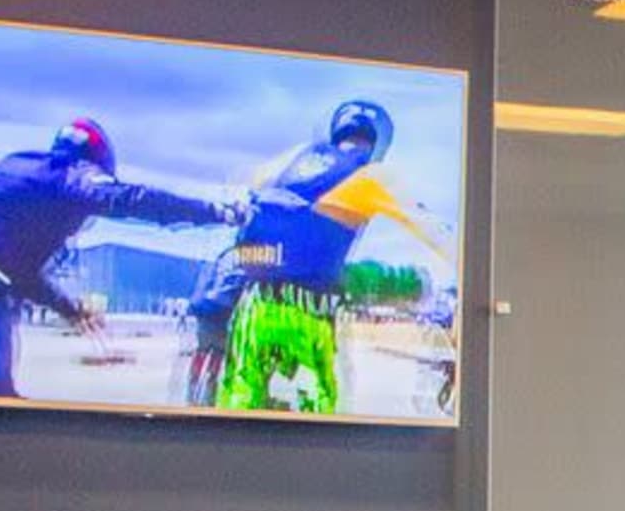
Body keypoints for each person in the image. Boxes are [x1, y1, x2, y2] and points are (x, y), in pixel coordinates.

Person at [0, 118, 233, 399]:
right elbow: (130, 198)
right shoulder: (73, 173)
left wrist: (68, 309)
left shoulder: (22, 164)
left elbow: (15, 268)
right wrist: (216, 212)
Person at [182, 98, 449, 413]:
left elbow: (241, 188)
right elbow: (433, 229)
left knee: (241, 401)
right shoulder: (372, 176)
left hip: (256, 309)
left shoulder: (294, 157)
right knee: (317, 411)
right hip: (311, 315)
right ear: (378, 141)